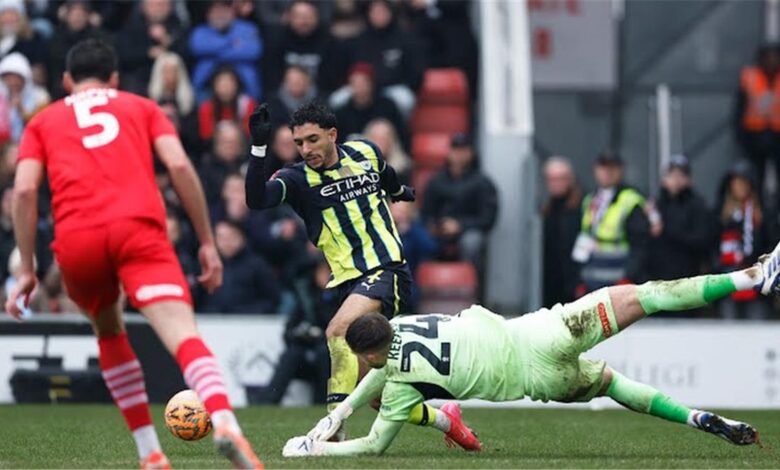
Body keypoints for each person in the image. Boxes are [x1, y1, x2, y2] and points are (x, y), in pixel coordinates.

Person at [4, 39, 262, 469]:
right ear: (115, 78)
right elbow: (178, 166)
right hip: (137, 227)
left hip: (78, 238)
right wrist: (206, 242)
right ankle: (224, 420)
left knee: (108, 331)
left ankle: (150, 453)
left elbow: (25, 190)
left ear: (66, 81)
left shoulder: (43, 120)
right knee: (182, 333)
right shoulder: (142, 107)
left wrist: (28, 269)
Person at [282, 240, 780, 456]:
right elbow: (383, 365)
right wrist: (341, 409)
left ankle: (694, 417)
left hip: (543, 381)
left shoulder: (400, 388)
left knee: (612, 385)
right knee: (647, 296)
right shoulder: (405, 322)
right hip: (544, 333)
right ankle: (752, 276)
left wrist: (315, 446)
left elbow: (374, 442)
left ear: (369, 354)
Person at [245, 101, 469, 445]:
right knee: (374, 393)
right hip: (348, 285)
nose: (306, 149)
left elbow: (385, 173)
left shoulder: (364, 152)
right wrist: (259, 147)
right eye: (299, 143)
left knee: (336, 330)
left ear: (332, 135)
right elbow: (257, 199)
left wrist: (398, 192)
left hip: (387, 270)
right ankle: (446, 420)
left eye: (313, 140)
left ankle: (333, 431)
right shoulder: (296, 178)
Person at [422, 133, 498, 274]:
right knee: (419, 238)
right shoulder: (436, 181)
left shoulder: (483, 183)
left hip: (467, 231)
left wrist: (460, 225)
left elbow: (488, 219)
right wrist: (434, 225)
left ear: (471, 153)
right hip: (440, 231)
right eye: (455, 150)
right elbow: (426, 212)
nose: (459, 155)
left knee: (472, 242)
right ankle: (420, 283)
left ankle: (471, 283)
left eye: (463, 150)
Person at [576, 152, 649, 294]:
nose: (607, 172)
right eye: (603, 167)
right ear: (595, 170)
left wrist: (629, 276)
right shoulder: (590, 200)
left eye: (612, 168)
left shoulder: (630, 200)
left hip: (619, 282)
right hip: (592, 281)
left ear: (621, 170)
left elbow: (641, 245)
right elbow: (584, 239)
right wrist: (579, 280)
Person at [647, 155, 715, 285]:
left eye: (681, 175)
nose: (676, 180)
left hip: (689, 275)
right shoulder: (656, 205)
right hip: (658, 276)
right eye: (672, 175)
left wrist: (665, 229)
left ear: (689, 180)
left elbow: (701, 240)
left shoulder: (698, 205)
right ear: (663, 179)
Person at [715, 160, 769, 319]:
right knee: (729, 324)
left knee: (757, 323)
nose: (740, 187)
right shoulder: (721, 211)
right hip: (727, 278)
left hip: (756, 277)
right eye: (736, 182)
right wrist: (717, 265)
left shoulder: (762, 211)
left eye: (744, 182)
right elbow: (712, 241)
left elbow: (768, 242)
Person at [188, 0, 262, 101]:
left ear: (232, 12)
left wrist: (213, 52)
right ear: (208, 14)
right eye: (216, 11)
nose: (220, 15)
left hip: (245, 87)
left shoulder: (248, 28)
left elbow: (254, 51)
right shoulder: (200, 31)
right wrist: (231, 43)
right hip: (206, 85)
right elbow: (197, 48)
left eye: (224, 10)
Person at [541, 156, 582, 306]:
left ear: (570, 179)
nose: (556, 184)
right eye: (552, 179)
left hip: (575, 278)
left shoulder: (582, 206)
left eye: (561, 178)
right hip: (551, 279)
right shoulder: (546, 208)